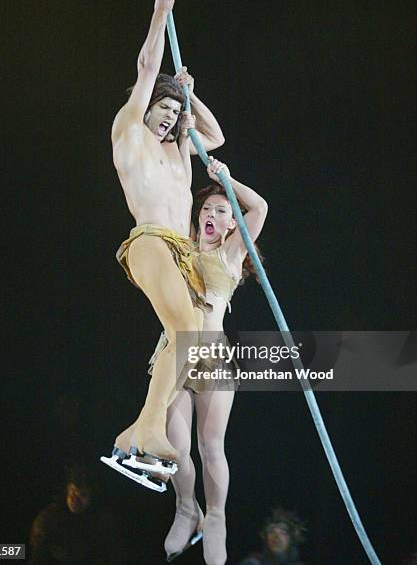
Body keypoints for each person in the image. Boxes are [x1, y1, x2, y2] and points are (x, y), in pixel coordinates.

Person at [102, 0, 225, 478]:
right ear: (146, 107)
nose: (170, 118)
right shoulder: (129, 132)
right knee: (182, 331)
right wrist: (158, 17)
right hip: (150, 241)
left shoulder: (178, 152)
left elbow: (214, 137)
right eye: (164, 108)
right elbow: (146, 71)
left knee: (192, 341)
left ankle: (135, 435)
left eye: (175, 115)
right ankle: (149, 429)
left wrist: (191, 96)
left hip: (182, 253)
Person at [160, 156, 268, 564]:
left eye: (221, 211)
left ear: (229, 225)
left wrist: (226, 179)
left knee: (210, 445)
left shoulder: (232, 252)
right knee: (175, 446)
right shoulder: (184, 247)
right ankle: (188, 507)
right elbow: (173, 196)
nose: (211, 214)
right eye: (207, 208)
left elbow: (259, 209)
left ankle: (217, 518)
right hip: (174, 352)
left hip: (212, 356)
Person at [30, 465, 121, 564]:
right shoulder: (50, 518)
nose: (75, 500)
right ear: (67, 490)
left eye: (83, 495)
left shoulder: (102, 522)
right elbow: (38, 556)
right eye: (73, 492)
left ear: (92, 497)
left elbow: (111, 555)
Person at [238, 506, 306, 565]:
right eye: (271, 531)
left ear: (291, 538)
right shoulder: (252, 563)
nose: (276, 537)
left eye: (283, 532)